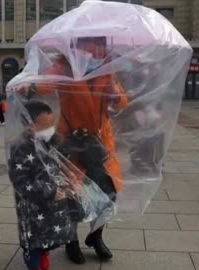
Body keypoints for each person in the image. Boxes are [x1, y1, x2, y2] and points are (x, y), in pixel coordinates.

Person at [22, 36, 128, 264]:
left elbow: (122, 102)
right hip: (72, 142)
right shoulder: (65, 67)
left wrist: (115, 95)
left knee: (107, 193)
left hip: (101, 144)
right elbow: (46, 82)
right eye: (89, 46)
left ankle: (96, 235)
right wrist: (28, 86)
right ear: (76, 46)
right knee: (73, 195)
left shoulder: (106, 70)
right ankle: (71, 241)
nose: (95, 52)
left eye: (100, 46)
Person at [8, 100, 77, 270]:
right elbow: (20, 180)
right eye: (44, 125)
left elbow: (56, 163)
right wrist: (49, 191)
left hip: (50, 203)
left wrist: (69, 175)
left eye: (51, 124)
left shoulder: (50, 142)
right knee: (33, 242)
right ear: (29, 126)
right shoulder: (21, 148)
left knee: (48, 235)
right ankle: (33, 260)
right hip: (31, 206)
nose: (50, 129)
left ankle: (43, 251)